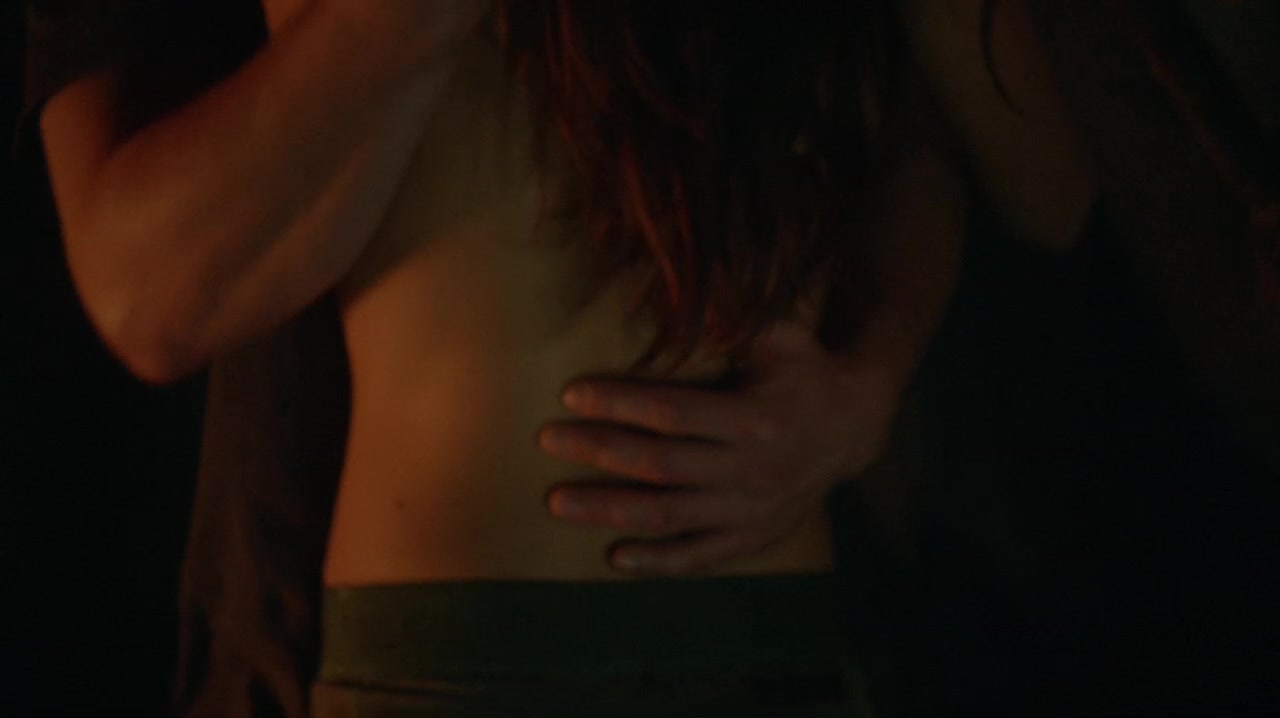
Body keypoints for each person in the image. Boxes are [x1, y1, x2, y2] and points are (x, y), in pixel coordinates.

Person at [26, 0, 999, 715]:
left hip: (785, 622)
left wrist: (872, 370)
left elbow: (931, 144)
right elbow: (146, 300)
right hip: (395, 618)